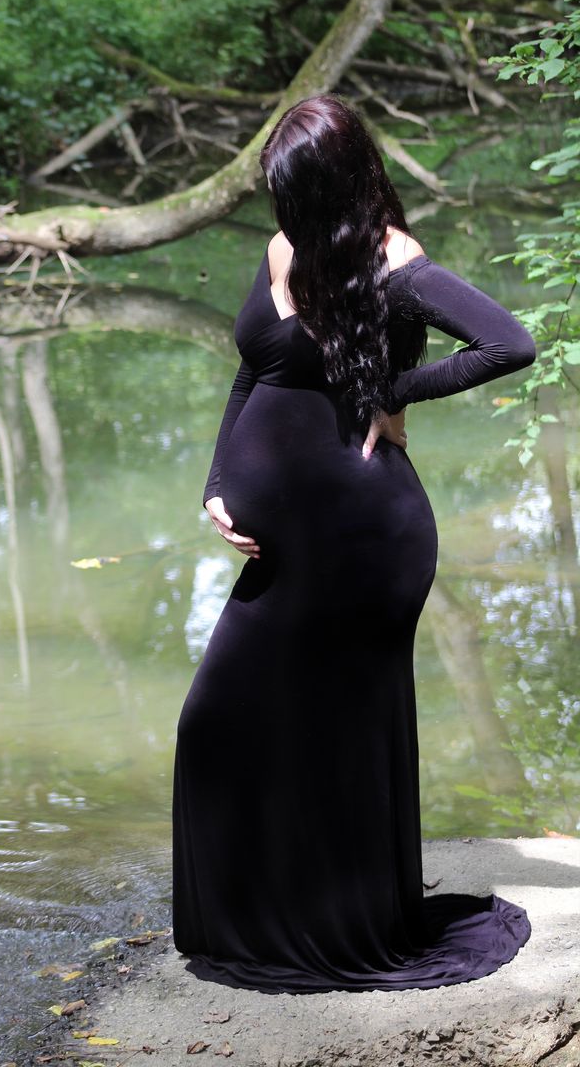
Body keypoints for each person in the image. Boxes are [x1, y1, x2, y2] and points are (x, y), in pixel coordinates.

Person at [171, 93, 535, 994]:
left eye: (292, 194)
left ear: (334, 184)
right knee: (223, 722)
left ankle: (340, 924)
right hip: (283, 546)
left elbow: (509, 343)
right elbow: (252, 369)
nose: (280, 213)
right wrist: (218, 484)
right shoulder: (281, 250)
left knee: (328, 732)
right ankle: (261, 921)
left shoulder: (395, 266)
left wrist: (393, 390)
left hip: (363, 544)